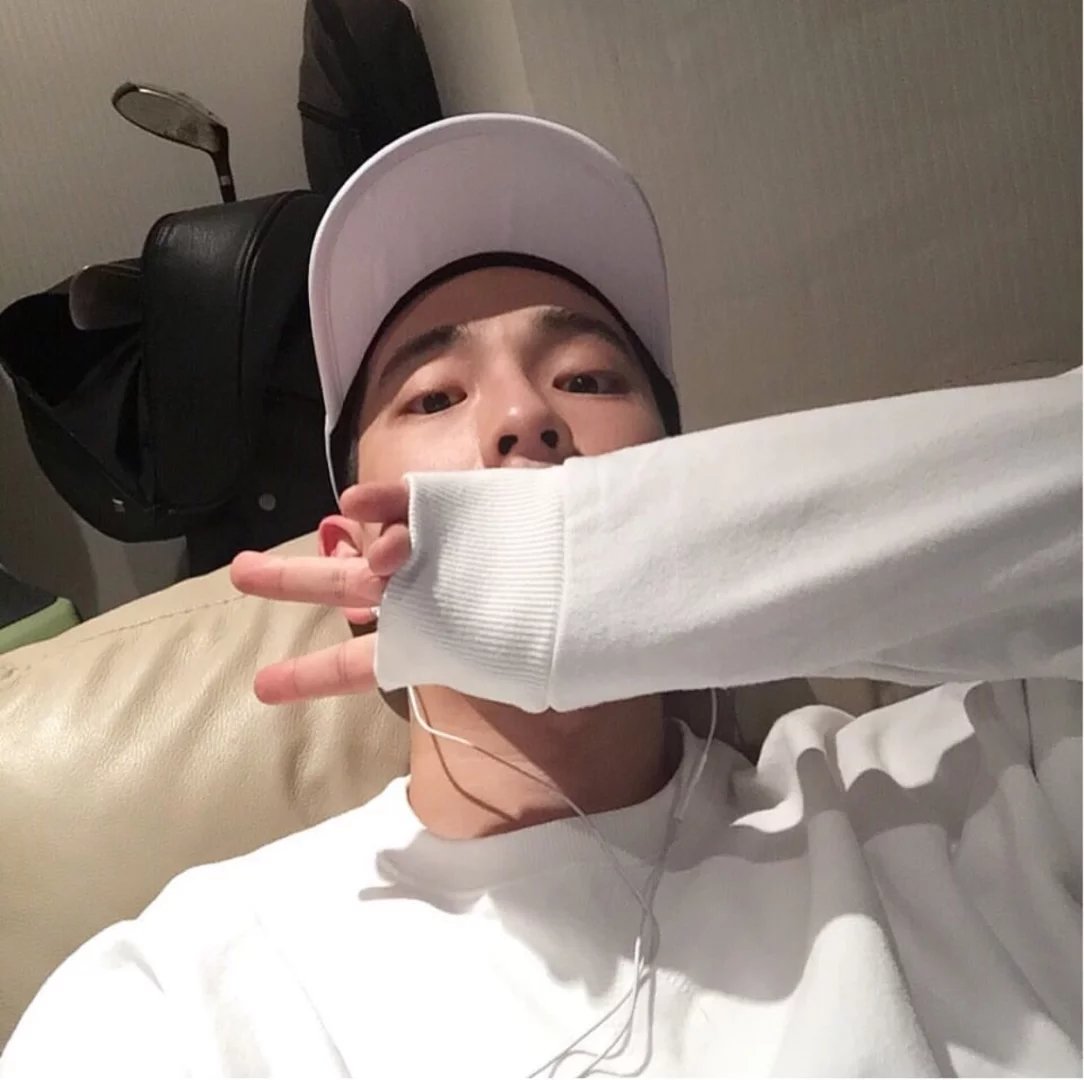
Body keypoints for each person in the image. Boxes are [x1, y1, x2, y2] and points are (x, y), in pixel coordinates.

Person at [1, 114, 1079, 1078]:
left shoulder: (962, 798)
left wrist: (617, 564)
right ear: (352, 559)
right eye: (434, 395)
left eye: (587, 379)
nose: (525, 415)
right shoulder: (182, 995)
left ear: (692, 493)